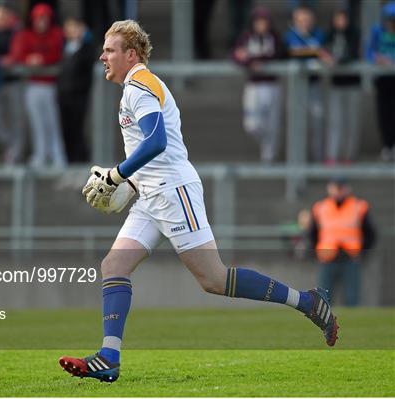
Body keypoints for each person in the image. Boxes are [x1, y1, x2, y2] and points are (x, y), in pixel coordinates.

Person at [58, 20, 339, 383]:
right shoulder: (135, 86)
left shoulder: (140, 86)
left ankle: (309, 302)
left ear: (131, 54)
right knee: (113, 265)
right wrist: (130, 178)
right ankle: (109, 357)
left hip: (174, 192)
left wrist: (117, 174)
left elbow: (157, 142)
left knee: (213, 279)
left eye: (110, 50)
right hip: (150, 194)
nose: (103, 56)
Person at [5, 3, 66, 168]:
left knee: (52, 123)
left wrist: (42, 60)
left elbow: (57, 55)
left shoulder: (55, 34)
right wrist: (28, 59)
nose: (42, 22)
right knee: (37, 123)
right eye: (39, 19)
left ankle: (58, 157)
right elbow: (18, 54)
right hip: (32, 85)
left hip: (49, 85)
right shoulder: (26, 35)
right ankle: (41, 155)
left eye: (45, 19)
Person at [309, 177, 376, 306]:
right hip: (327, 257)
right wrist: (316, 252)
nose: (338, 191)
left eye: (341, 187)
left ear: (347, 188)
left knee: (352, 298)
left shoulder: (359, 206)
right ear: (329, 188)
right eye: (335, 187)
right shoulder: (320, 207)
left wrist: (363, 252)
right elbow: (312, 233)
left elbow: (370, 233)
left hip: (350, 257)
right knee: (324, 299)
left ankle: (353, 324)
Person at [232, 7, 285, 162]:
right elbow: (235, 55)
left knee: (273, 122)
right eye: (258, 22)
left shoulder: (274, 37)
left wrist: (257, 59)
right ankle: (266, 144)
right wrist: (248, 60)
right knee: (252, 124)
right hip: (253, 85)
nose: (261, 25)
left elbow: (279, 55)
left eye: (264, 22)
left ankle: (269, 156)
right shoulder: (246, 37)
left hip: (272, 84)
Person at [285, 7, 330, 162]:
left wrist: (317, 51)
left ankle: (317, 161)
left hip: (314, 85)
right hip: (297, 87)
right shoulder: (290, 36)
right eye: (300, 20)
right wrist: (315, 52)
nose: (304, 24)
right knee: (297, 126)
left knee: (317, 123)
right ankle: (297, 161)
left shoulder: (319, 35)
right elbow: (292, 53)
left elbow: (327, 52)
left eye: (307, 20)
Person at [0, 5, 25, 166]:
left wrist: (6, 61)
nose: (1, 20)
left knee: (17, 118)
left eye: (4, 17)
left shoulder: (16, 34)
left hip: (14, 81)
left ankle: (14, 154)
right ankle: (9, 145)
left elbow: (16, 55)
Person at [323, 9, 362, 164]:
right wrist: (326, 57)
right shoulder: (330, 35)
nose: (340, 22)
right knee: (335, 121)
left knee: (351, 121)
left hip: (352, 84)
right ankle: (332, 154)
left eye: (343, 19)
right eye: (337, 19)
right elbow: (323, 51)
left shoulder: (354, 35)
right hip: (336, 84)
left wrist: (336, 60)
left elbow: (352, 54)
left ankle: (349, 154)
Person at [57, 17, 96, 163]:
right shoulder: (64, 48)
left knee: (78, 130)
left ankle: (80, 162)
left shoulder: (87, 49)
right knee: (66, 131)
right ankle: (70, 161)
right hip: (64, 96)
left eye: (74, 28)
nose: (71, 31)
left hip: (79, 96)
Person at [366, 1, 395, 162]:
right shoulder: (377, 30)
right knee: (384, 113)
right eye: (390, 19)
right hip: (383, 78)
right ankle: (387, 145)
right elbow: (369, 51)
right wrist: (378, 59)